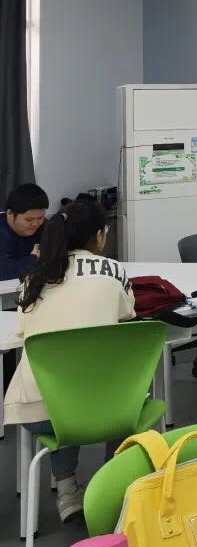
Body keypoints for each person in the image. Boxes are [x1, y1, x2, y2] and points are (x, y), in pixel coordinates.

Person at [4, 200, 134, 522]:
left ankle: (66, 492)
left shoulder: (33, 278)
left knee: (61, 391)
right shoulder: (114, 271)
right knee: (123, 391)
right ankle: (110, 485)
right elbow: (127, 314)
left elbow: (23, 328)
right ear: (99, 235)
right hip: (103, 408)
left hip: (38, 410)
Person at [1, 183, 48, 280]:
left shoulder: (44, 226)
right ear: (9, 213)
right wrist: (33, 260)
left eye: (40, 217)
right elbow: (3, 272)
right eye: (29, 220)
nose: (35, 224)